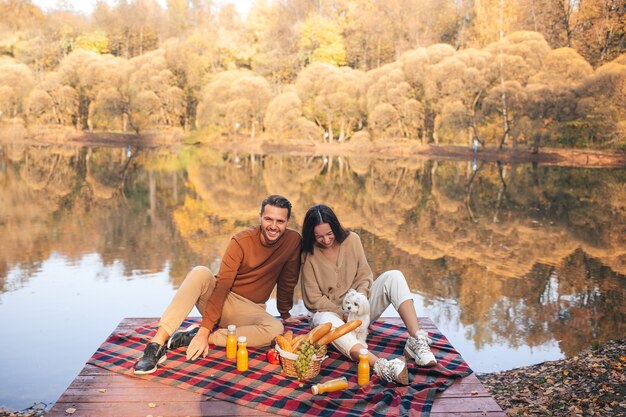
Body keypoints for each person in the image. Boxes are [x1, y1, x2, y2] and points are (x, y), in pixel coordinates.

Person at [134, 195, 303, 374]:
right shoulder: (241, 241)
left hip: (250, 311)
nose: (273, 226)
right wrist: (204, 329)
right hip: (223, 300)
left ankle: (197, 337)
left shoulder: (293, 241)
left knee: (275, 329)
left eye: (280, 221)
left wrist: (285, 313)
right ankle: (157, 345)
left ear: (287, 221)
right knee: (200, 273)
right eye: (268, 219)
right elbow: (222, 286)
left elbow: (287, 280)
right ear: (260, 217)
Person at [300, 204, 437, 385]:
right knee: (323, 319)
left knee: (394, 276)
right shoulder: (308, 255)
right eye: (319, 236)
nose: (326, 240)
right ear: (311, 235)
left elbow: (364, 275)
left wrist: (360, 301)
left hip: (360, 309)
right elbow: (313, 299)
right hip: (333, 317)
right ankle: (381, 366)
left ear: (335, 227)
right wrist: (340, 311)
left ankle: (416, 339)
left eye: (329, 233)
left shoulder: (352, 240)